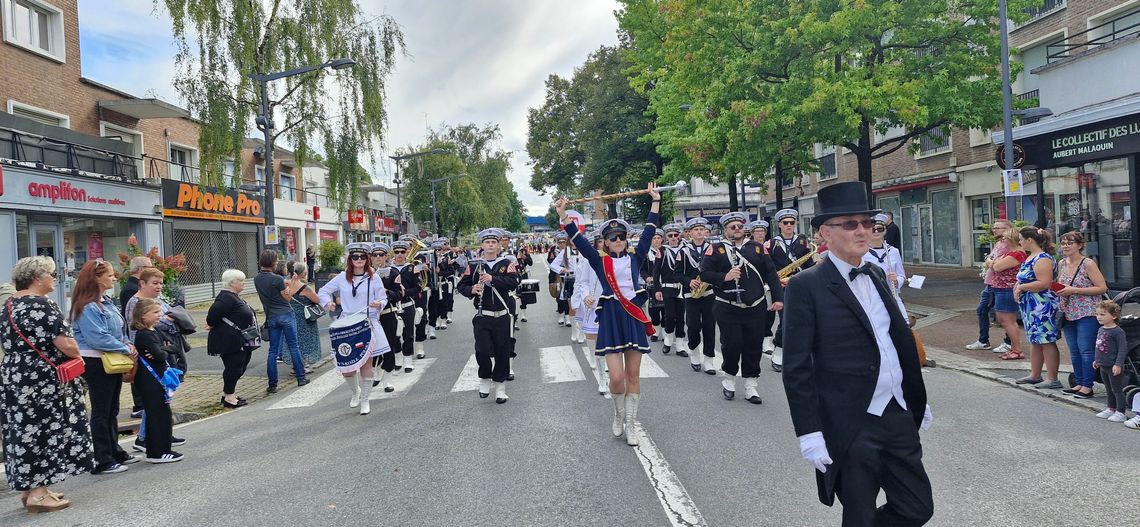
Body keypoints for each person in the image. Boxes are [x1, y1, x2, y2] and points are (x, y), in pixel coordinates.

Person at [782, 181, 933, 526]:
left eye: (868, 223)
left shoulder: (877, 272)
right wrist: (809, 433)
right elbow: (797, 367)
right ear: (825, 233)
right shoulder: (807, 286)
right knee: (860, 512)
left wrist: (916, 395)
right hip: (849, 421)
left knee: (917, 507)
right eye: (851, 224)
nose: (863, 231)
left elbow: (894, 340)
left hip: (896, 413)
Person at [556, 182, 661, 446]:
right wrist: (562, 214)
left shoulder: (636, 257)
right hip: (612, 316)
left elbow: (649, 230)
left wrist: (655, 201)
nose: (617, 241)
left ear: (626, 239)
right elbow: (577, 239)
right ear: (605, 241)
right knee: (616, 378)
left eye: (621, 237)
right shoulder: (599, 260)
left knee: (633, 375)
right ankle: (618, 412)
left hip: (633, 314)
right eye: (612, 238)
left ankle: (632, 424)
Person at [1, 256, 93, 513]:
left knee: (23, 431)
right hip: (44, 380)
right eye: (51, 274)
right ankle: (39, 496)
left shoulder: (8, 305)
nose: (55, 278)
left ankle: (30, 489)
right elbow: (65, 344)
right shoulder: (42, 304)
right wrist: (78, 354)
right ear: (37, 277)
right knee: (46, 430)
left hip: (15, 376)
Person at [700, 212, 783, 404]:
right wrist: (724, 277)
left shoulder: (757, 248)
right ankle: (729, 378)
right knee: (732, 344)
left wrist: (778, 298)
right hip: (727, 306)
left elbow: (771, 273)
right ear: (725, 230)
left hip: (755, 305)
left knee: (753, 345)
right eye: (732, 227)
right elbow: (704, 274)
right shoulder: (716, 249)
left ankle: (750, 385)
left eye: (739, 226)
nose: (737, 230)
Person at [70, 259, 140, 474]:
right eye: (109, 274)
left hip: (110, 359)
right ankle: (102, 458)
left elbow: (117, 330)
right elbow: (96, 337)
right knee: (101, 410)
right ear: (96, 278)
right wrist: (126, 348)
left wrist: (126, 343)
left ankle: (114, 450)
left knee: (112, 408)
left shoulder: (105, 301)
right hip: (96, 360)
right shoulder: (87, 305)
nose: (114, 278)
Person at [318, 242, 390, 415]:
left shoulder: (374, 277)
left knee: (366, 364)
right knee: (347, 368)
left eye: (363, 257)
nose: (359, 260)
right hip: (347, 324)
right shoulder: (342, 277)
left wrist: (378, 303)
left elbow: (383, 298)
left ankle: (365, 400)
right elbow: (323, 291)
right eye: (355, 257)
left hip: (367, 322)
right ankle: (355, 392)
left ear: (367, 259)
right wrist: (327, 303)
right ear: (350, 259)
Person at [458, 228, 520, 403]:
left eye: (494, 242)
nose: (490, 245)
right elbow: (461, 286)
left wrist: (493, 280)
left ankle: (500, 388)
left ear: (499, 245)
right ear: (482, 245)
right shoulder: (474, 265)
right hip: (482, 314)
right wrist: (472, 289)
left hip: (502, 314)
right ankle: (485, 378)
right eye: (487, 242)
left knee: (502, 350)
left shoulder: (506, 263)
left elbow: (514, 282)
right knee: (483, 350)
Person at [1055, 232, 1108, 399]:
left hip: (1088, 311)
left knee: (1086, 350)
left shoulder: (1088, 263)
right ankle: (1078, 382)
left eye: (1070, 243)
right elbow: (1061, 284)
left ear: (1079, 245)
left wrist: (1074, 290)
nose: (1065, 246)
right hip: (1068, 311)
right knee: (1074, 350)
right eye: (1063, 243)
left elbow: (1102, 288)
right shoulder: (1061, 263)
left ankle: (1087, 386)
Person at [130, 298, 183, 463]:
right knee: (157, 414)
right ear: (143, 316)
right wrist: (163, 350)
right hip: (149, 380)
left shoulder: (155, 331)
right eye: (155, 312)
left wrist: (163, 348)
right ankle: (158, 451)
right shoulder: (144, 334)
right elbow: (160, 356)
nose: (159, 315)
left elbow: (174, 347)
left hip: (159, 378)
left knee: (163, 413)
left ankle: (161, 449)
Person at [767, 208, 815, 373]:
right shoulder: (772, 244)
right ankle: (778, 350)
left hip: (800, 285)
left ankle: (801, 354)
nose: (789, 225)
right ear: (779, 225)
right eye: (785, 223)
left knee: (804, 319)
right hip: (781, 286)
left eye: (792, 223)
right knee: (785, 320)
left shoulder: (802, 241)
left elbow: (809, 264)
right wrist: (776, 280)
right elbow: (768, 267)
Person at [254, 250, 310, 393]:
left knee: (273, 351)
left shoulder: (257, 279)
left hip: (271, 316)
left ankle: (272, 385)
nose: (277, 263)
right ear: (273, 263)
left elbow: (270, 292)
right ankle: (301, 377)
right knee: (293, 346)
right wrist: (293, 284)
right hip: (285, 313)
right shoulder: (277, 279)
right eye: (277, 261)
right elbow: (288, 297)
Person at [1013, 227, 1062, 388]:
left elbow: (1044, 283)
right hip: (1031, 305)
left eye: (1021, 239)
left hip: (1042, 305)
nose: (1019, 242)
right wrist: (1019, 286)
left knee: (1046, 339)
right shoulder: (1031, 257)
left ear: (1029, 240)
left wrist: (1022, 287)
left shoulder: (1042, 258)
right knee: (1035, 339)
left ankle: (1052, 378)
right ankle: (1035, 374)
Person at [205, 269, 254, 408]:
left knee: (240, 365)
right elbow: (212, 316)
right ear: (232, 283)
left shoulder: (233, 296)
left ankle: (229, 393)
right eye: (241, 280)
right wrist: (211, 324)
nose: (244, 283)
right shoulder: (226, 297)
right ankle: (229, 397)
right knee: (234, 367)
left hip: (238, 338)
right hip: (228, 339)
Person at [573, 230, 608, 395]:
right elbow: (583, 281)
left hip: (613, 305)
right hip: (594, 302)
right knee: (595, 337)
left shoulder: (618, 257)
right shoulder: (589, 259)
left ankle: (609, 369)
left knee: (611, 340)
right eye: (600, 241)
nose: (603, 244)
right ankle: (602, 378)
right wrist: (585, 295)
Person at [681, 217, 717, 374]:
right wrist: (689, 282)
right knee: (693, 326)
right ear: (690, 233)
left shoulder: (714, 249)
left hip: (709, 293)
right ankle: (694, 354)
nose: (699, 232)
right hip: (691, 294)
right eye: (696, 230)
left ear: (706, 232)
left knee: (709, 327)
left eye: (702, 229)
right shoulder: (684, 251)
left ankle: (709, 360)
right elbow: (676, 275)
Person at [120, 255, 153, 418]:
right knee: (138, 369)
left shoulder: (134, 286)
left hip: (138, 335)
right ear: (140, 269)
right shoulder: (132, 290)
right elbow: (133, 316)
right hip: (136, 336)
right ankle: (139, 405)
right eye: (149, 266)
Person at [1092, 300, 1130, 423]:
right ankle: (1111, 408)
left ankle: (1121, 412)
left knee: (1117, 389)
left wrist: (1118, 364)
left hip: (1113, 366)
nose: (1099, 317)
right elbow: (1098, 346)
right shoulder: (1101, 329)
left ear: (1114, 316)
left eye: (1103, 314)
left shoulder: (1118, 332)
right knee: (1108, 388)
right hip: (1103, 365)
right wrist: (1096, 360)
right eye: (1097, 314)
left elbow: (1122, 349)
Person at [371, 242, 401, 392]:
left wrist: (385, 292)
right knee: (371, 347)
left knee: (389, 346)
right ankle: (376, 372)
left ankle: (387, 379)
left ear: (386, 257)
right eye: (375, 255)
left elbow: (399, 294)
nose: (378, 258)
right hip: (370, 317)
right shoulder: (365, 274)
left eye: (381, 255)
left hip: (387, 314)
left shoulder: (393, 273)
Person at [864, 213, 908, 315]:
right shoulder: (862, 252)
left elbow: (902, 275)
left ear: (885, 230)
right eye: (872, 229)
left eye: (879, 229)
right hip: (871, 299)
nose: (876, 231)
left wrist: (896, 280)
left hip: (892, 296)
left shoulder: (893, 251)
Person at [656, 223, 688, 356]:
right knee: (669, 316)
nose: (673, 238)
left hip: (682, 288)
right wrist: (657, 289)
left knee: (681, 317)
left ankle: (680, 345)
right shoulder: (662, 251)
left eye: (676, 235)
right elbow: (656, 272)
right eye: (670, 235)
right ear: (666, 237)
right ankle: (668, 340)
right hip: (667, 288)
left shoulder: (685, 249)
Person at [389, 240, 420, 372]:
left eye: (402, 252)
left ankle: (408, 360)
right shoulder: (388, 270)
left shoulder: (412, 268)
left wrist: (405, 292)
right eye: (397, 252)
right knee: (395, 334)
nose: (400, 254)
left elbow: (418, 287)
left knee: (408, 333)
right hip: (393, 306)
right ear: (393, 254)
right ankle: (398, 358)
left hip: (407, 304)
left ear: (407, 252)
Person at [289, 262, 323, 368]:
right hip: (305, 317)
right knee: (306, 341)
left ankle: (295, 366)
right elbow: (317, 299)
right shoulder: (304, 287)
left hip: (292, 315)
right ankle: (304, 365)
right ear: (303, 273)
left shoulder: (287, 283)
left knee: (295, 341)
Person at [643, 231, 665, 340]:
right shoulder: (647, 254)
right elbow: (642, 270)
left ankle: (666, 333)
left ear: (662, 239)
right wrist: (647, 277)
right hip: (652, 285)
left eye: (658, 238)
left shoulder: (667, 251)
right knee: (653, 310)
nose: (656, 240)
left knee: (666, 310)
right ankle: (656, 330)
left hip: (665, 285)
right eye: (654, 238)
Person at [515, 244, 534, 322]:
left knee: (523, 295)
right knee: (514, 295)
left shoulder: (524, 252)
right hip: (513, 275)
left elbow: (530, 263)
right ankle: (514, 315)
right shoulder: (508, 252)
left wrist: (524, 257)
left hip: (523, 275)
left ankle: (523, 315)